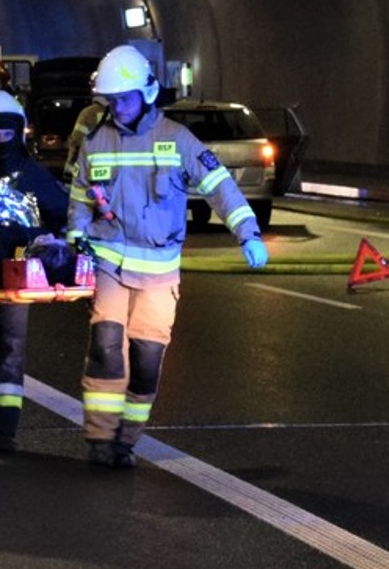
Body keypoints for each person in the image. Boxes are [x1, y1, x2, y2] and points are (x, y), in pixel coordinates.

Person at [68, 44, 268, 469]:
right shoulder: (96, 141)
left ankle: (127, 441)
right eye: (111, 101)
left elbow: (219, 186)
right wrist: (76, 233)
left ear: (146, 94)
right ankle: (100, 438)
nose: (118, 108)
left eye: (124, 99)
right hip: (111, 263)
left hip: (158, 270)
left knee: (146, 361)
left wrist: (247, 233)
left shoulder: (177, 140)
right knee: (106, 348)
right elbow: (81, 194)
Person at [0, 90, 69, 454]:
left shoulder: (34, 175)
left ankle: (3, 429)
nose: (0, 141)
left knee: (10, 349)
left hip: (17, 277)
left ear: (20, 132)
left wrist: (50, 243)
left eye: (7, 134)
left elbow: (62, 215)